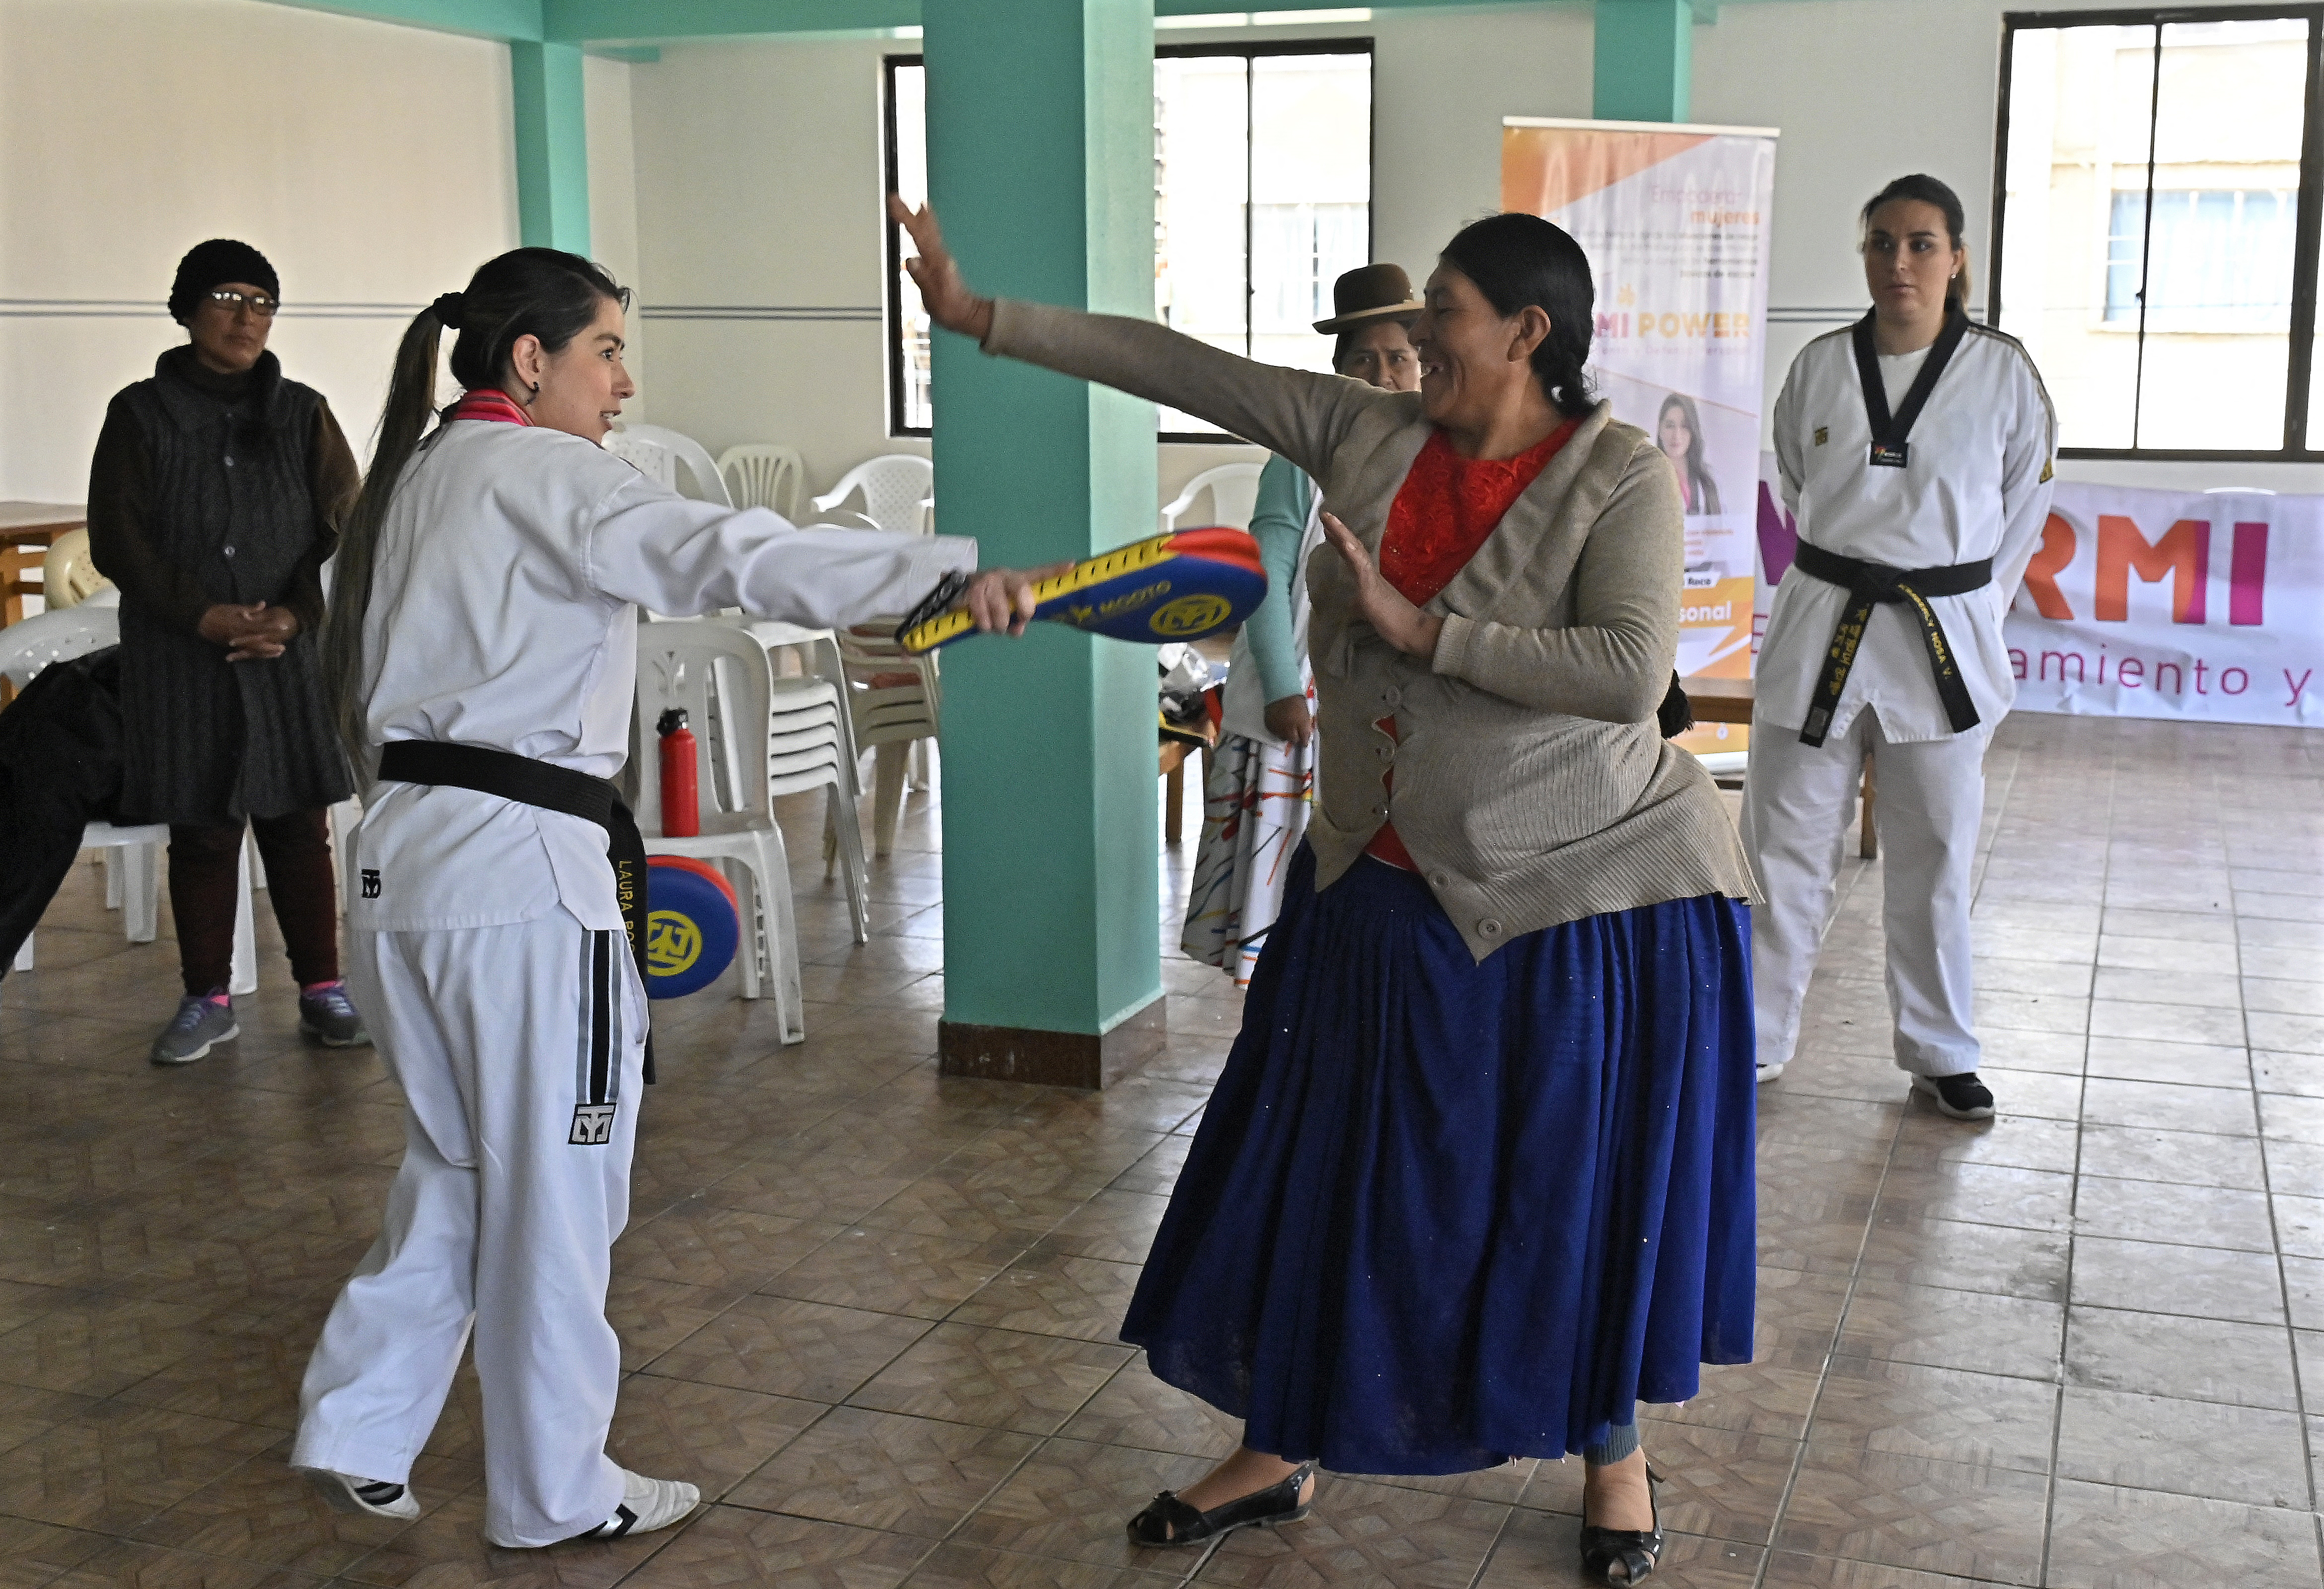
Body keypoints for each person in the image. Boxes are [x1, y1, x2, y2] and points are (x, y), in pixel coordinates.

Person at [895, 195, 1760, 1588]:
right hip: (1378, 866)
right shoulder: (1369, 433)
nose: (1417, 340)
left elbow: (1626, 674)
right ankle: (1280, 1442)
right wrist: (984, 318)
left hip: (1578, 892)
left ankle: (1612, 1452)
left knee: (1566, 1186)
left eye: (1448, 319)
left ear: (1528, 333)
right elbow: (1183, 367)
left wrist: (1430, 631)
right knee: (1319, 1165)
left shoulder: (1617, 477)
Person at [288, 247, 1050, 1550]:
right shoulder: (549, 474)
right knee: (560, 1188)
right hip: (522, 878)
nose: (625, 381)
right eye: (607, 350)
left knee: (464, 1161)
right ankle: (556, 1491)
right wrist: (932, 580)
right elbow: (723, 552)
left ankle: (360, 1424)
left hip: (394, 865)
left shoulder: (418, 476)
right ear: (531, 361)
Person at [1741, 174, 2056, 1119]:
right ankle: (1752, 1041)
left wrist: (1966, 608)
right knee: (1782, 845)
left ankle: (1939, 1048)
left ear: (1957, 259)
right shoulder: (1820, 367)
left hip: (1942, 643)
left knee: (1936, 854)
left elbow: (2022, 516)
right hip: (1822, 628)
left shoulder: (2005, 374)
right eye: (1882, 242)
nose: (1899, 261)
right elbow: (1796, 488)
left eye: (1921, 243)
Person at [86, 239, 369, 1064]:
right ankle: (206, 998)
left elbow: (343, 531)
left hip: (288, 655)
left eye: (262, 301)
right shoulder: (138, 414)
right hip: (181, 657)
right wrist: (200, 614)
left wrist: (292, 615)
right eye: (228, 297)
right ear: (186, 308)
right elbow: (119, 540)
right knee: (203, 829)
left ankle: (324, 989)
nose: (247, 316)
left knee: (298, 823)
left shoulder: (303, 411)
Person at [1180, 263, 1423, 984]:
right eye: (1364, 361)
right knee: (1287, 868)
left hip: (1385, 703)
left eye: (1400, 358)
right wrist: (1286, 689)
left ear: (1423, 365)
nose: (1383, 375)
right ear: (1338, 372)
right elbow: (1264, 572)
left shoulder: (1435, 455)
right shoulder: (1303, 460)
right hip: (1304, 703)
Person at [1655, 391, 1721, 515]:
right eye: (1670, 426)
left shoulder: (1710, 480)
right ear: (1660, 430)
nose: (1676, 435)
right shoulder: (1648, 479)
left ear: (1693, 431)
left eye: (1685, 426)